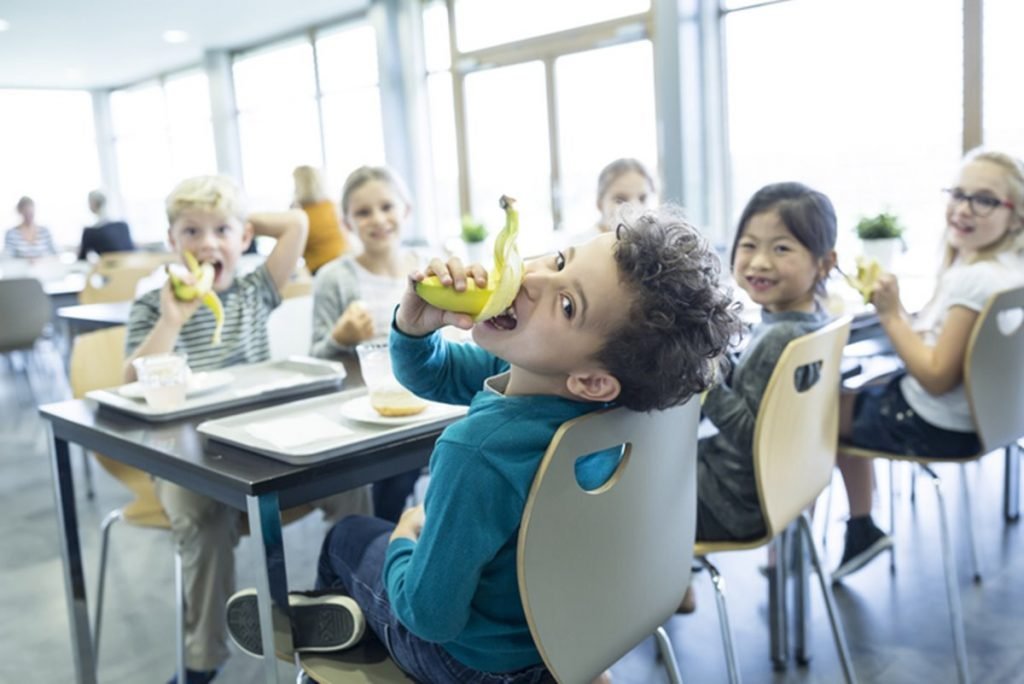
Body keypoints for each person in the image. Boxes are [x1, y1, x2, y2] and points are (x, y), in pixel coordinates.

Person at [224, 205, 740, 683]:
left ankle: (351, 632)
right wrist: (415, 325)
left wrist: (406, 536)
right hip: (570, 640)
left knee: (350, 536)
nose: (533, 277)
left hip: (473, 665)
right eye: (559, 259)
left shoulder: (479, 452)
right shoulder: (603, 400)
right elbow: (435, 371)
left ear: (590, 378)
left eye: (565, 304)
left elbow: (431, 617)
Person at [124, 175, 372, 684]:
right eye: (191, 231)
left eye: (222, 231)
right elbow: (130, 381)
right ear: (171, 241)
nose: (207, 242)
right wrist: (172, 319)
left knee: (351, 480)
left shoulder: (255, 290)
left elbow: (299, 223)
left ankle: (345, 606)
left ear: (244, 239)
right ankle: (202, 658)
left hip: (259, 443)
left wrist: (238, 220)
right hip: (184, 455)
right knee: (199, 515)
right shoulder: (153, 303)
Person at [832, 148, 1024, 581]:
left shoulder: (975, 280)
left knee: (819, 414)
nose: (963, 208)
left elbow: (937, 377)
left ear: (1016, 216)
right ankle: (861, 527)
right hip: (994, 420)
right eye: (957, 194)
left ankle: (856, 529)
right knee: (852, 397)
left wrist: (890, 314)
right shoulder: (1009, 270)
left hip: (935, 422)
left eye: (985, 200)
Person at [310, 165, 420, 521]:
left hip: (425, 401)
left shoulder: (428, 268)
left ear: (406, 209)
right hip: (363, 410)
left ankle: (386, 539)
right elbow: (315, 360)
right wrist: (338, 339)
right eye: (363, 212)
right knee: (396, 461)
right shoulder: (334, 278)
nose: (378, 219)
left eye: (387, 207)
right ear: (347, 223)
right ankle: (380, 540)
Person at [565, 157, 656, 246]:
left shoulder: (651, 245)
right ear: (599, 204)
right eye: (620, 200)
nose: (635, 208)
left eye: (642, 198)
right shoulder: (579, 247)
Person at [293, 165, 347, 274]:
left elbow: (294, 253)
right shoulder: (332, 205)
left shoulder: (300, 215)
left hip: (320, 269)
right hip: (344, 262)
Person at [78, 189, 135, 260]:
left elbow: (81, 258)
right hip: (131, 267)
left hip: (109, 269)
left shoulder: (90, 232)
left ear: (93, 204)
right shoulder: (123, 225)